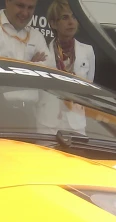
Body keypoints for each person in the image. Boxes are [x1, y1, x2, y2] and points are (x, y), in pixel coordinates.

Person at [36, 0, 97, 134]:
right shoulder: (43, 50)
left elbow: (88, 88)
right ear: (53, 23)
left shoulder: (87, 51)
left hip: (76, 122)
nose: (71, 22)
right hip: (48, 121)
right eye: (65, 17)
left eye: (74, 17)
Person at [0, 0, 51, 66]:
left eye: (30, 8)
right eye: (20, 6)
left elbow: (50, 68)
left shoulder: (37, 36)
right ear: (7, 1)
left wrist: (7, 66)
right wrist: (31, 66)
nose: (25, 13)